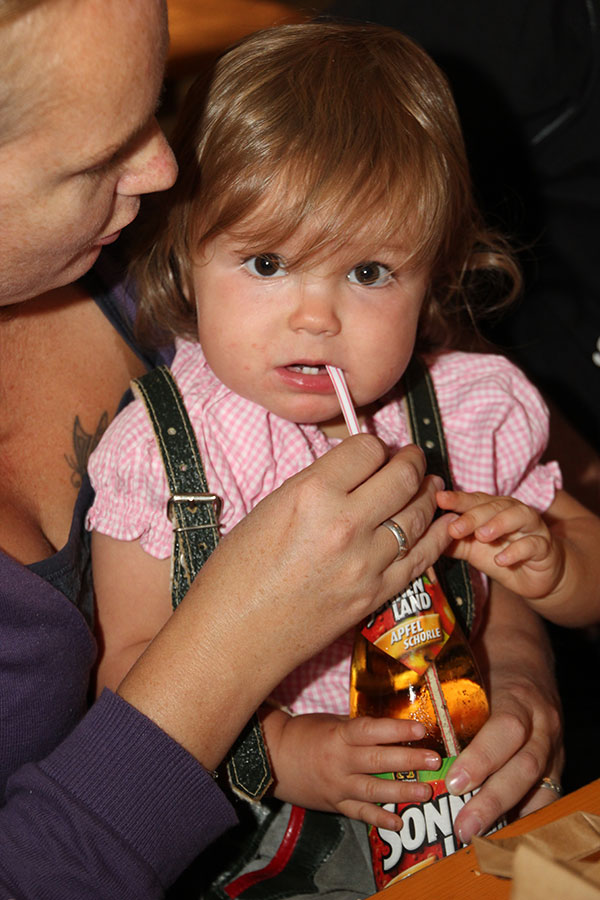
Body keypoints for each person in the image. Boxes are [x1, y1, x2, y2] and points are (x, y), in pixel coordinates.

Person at [84, 24, 573, 893]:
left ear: (436, 274)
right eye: (268, 262)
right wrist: (287, 751)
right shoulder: (164, 450)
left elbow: (569, 584)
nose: (316, 317)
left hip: (472, 804)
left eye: (370, 272)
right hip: (282, 843)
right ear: (187, 257)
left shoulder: (464, 408)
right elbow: (128, 667)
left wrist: (550, 568)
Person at [0, 1, 460, 897]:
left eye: (155, 107)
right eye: (97, 155)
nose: (169, 170)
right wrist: (240, 646)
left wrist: (522, 675)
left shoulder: (138, 260)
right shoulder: (168, 420)